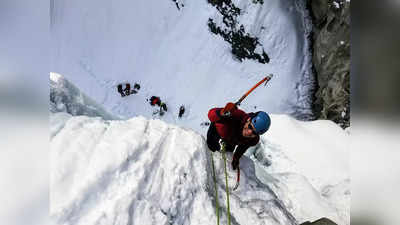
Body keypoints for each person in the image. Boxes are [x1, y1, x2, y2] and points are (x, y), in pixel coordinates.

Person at [207, 102, 271, 170]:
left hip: (231, 140)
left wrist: (236, 159)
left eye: (254, 133)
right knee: (211, 148)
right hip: (217, 131)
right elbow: (211, 114)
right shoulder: (237, 115)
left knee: (228, 152)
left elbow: (242, 147)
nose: (249, 132)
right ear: (248, 119)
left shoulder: (253, 140)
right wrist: (221, 113)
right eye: (250, 127)